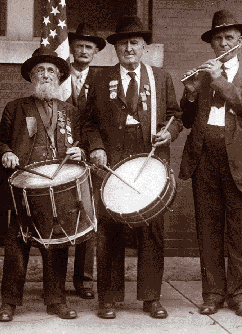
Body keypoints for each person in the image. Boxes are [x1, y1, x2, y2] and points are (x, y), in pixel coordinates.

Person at [80, 15, 183, 319]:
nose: (128, 48)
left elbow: (175, 116)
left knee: (152, 232)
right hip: (111, 162)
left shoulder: (160, 78)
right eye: (123, 43)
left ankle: (151, 297)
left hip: (149, 162)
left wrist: (169, 132)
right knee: (110, 230)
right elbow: (86, 122)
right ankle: (109, 299)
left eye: (134, 42)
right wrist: (96, 146)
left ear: (143, 47)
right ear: (115, 48)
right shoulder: (99, 79)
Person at [0, 48, 85, 321]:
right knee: (17, 246)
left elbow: (81, 142)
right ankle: (9, 303)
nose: (46, 75)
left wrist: (80, 152)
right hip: (24, 186)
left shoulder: (71, 110)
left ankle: (56, 301)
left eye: (51, 71)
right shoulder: (16, 107)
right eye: (40, 71)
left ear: (59, 78)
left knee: (57, 245)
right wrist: (6, 152)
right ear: (31, 76)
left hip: (59, 187)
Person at [180, 9, 242, 317]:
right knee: (209, 229)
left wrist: (217, 81)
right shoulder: (202, 75)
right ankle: (212, 293)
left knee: (241, 233)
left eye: (229, 37)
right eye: (218, 38)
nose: (223, 43)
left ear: (239, 40)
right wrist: (189, 96)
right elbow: (187, 122)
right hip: (205, 159)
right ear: (212, 44)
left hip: (241, 161)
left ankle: (238, 295)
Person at [65, 22, 106, 299]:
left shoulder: (103, 81)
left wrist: (94, 148)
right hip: (61, 155)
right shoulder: (56, 75)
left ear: (95, 52)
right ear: (71, 47)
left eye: (89, 47)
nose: (83, 51)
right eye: (79, 45)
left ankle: (84, 279)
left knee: (88, 217)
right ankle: (52, 281)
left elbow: (102, 121)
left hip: (89, 156)